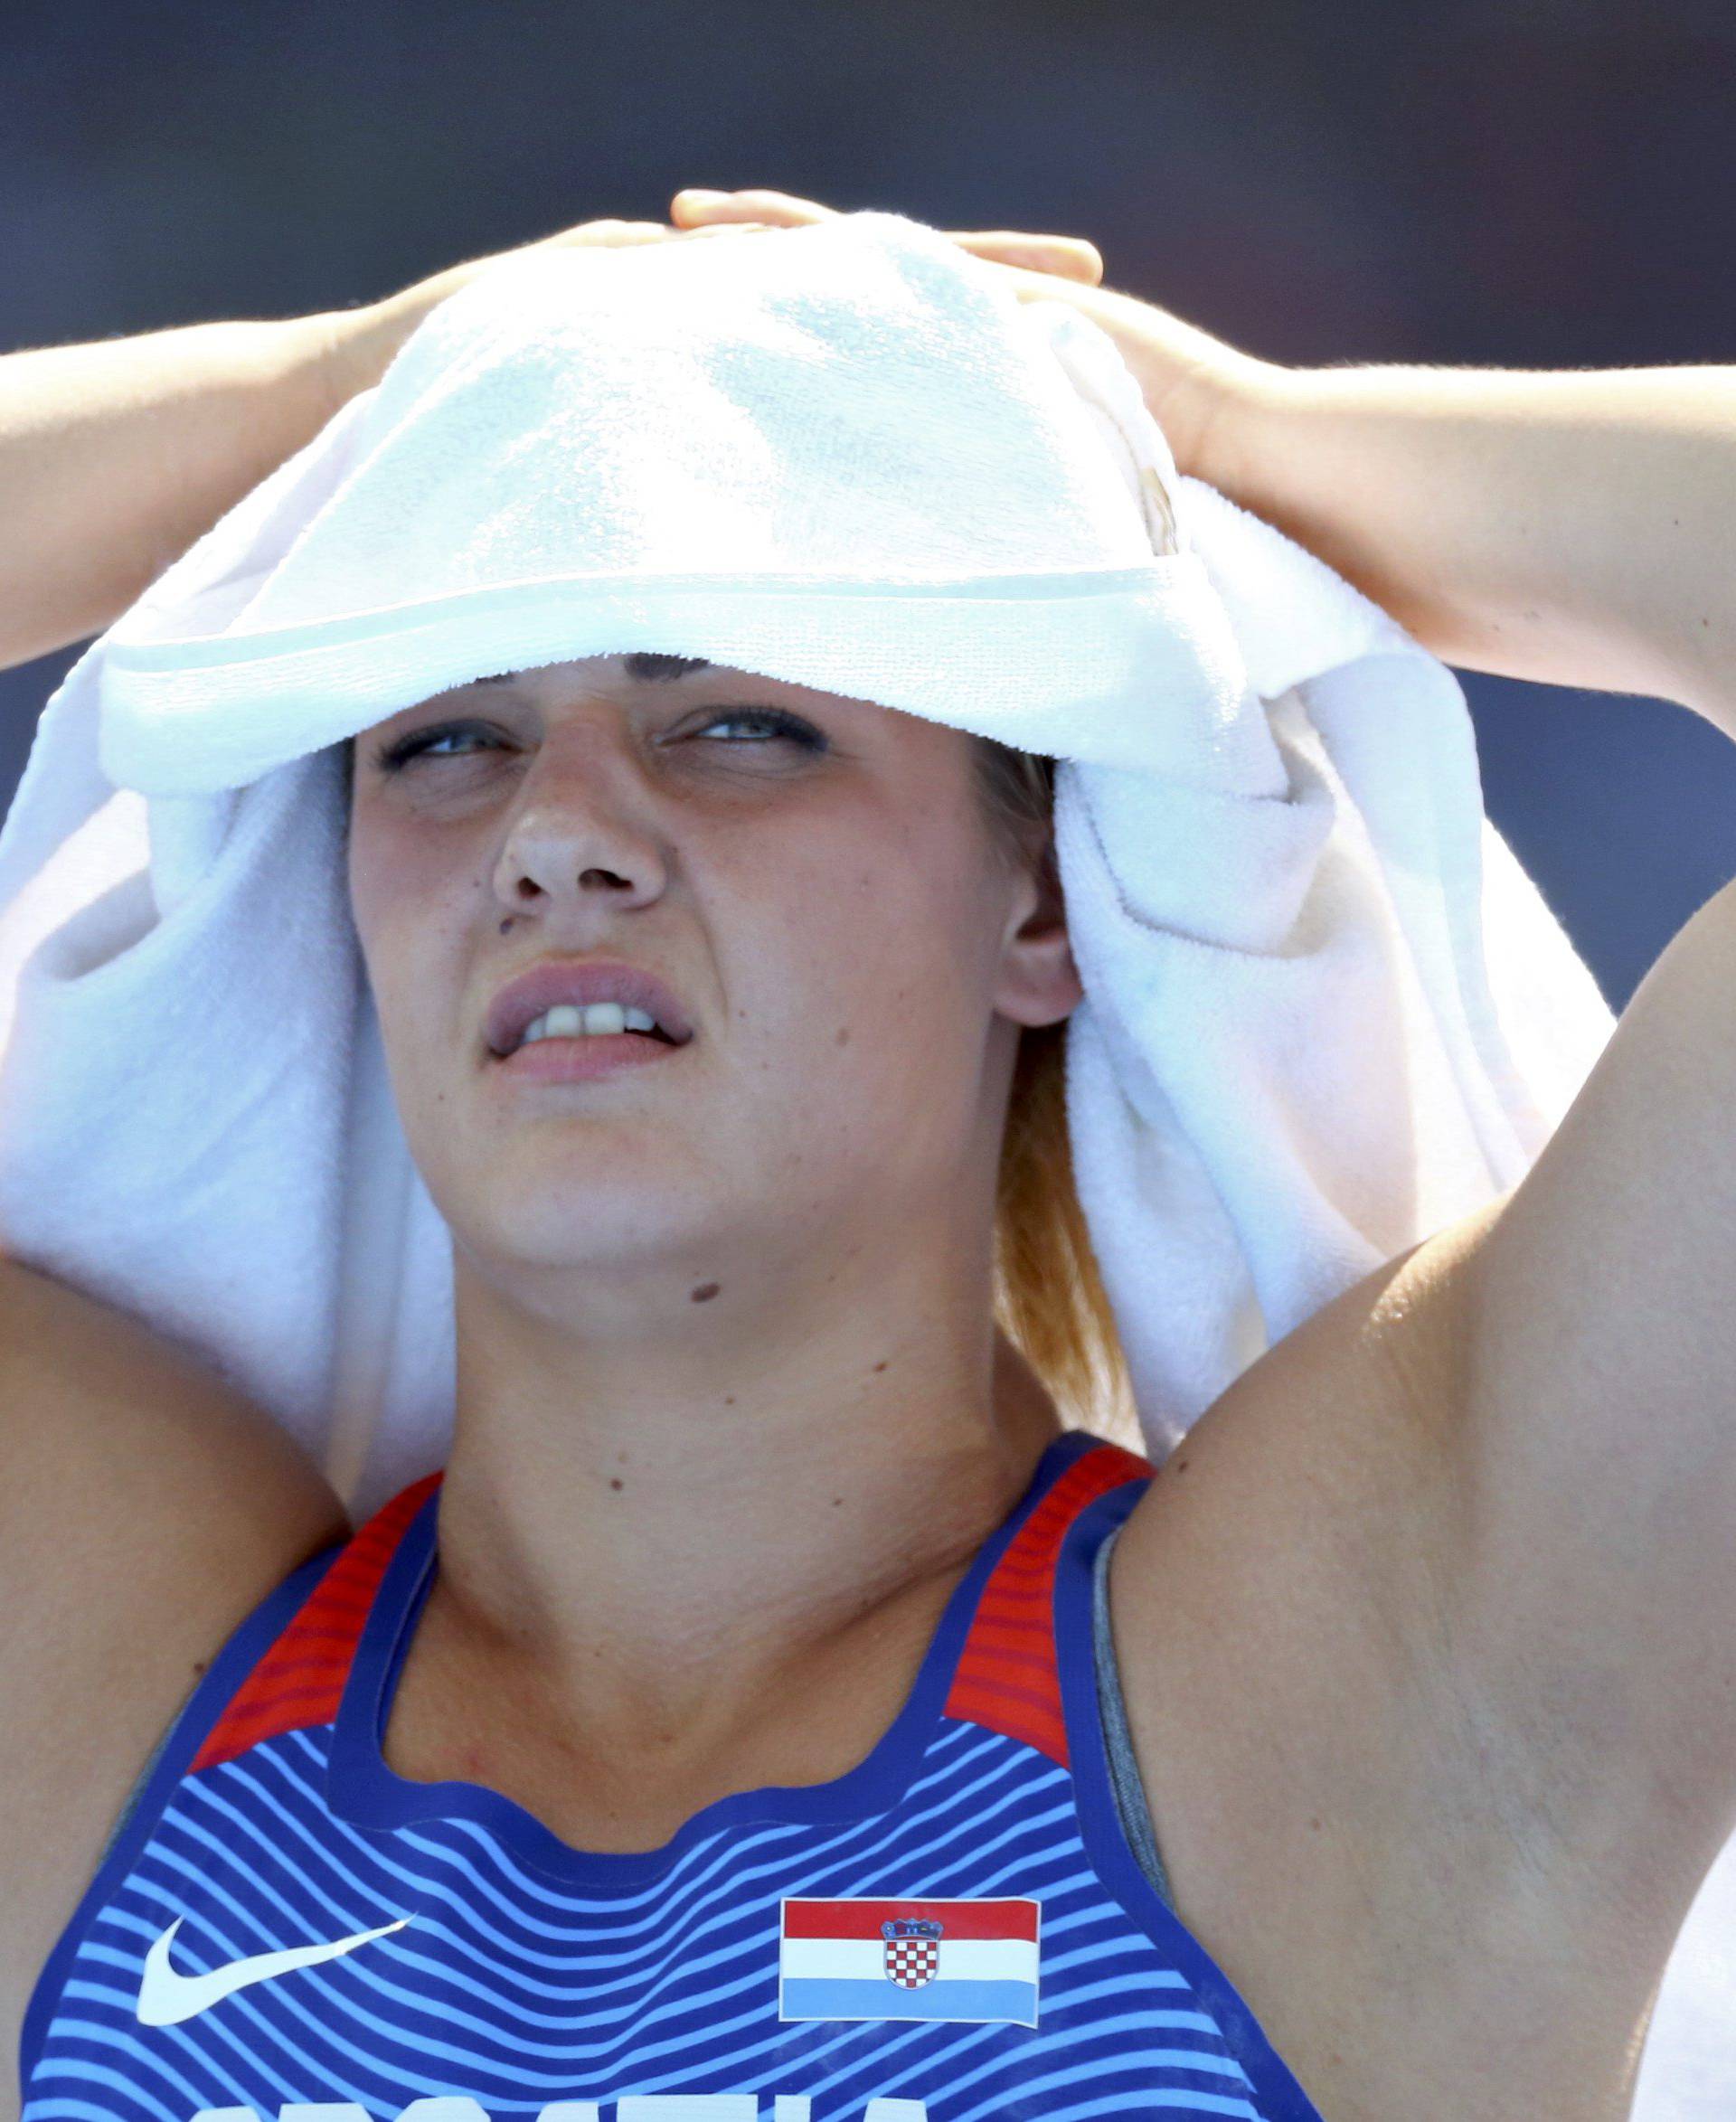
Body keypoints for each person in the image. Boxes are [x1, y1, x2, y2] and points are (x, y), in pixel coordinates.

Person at [2, 184, 1733, 2122]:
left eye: (740, 724)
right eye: (443, 743)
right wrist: (340, 404)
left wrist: (1214, 441)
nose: (556, 832)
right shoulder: (104, 1675)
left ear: (1045, 899)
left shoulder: (1350, 1682)